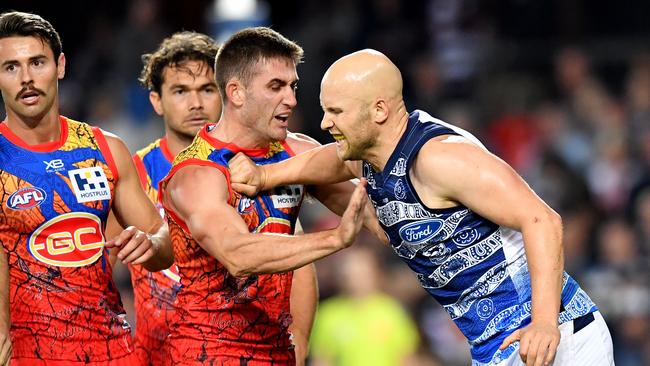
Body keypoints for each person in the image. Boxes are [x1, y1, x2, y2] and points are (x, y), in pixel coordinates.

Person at [228, 49, 615, 366]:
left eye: (337, 112)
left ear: (378, 110)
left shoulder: (438, 158)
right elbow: (329, 161)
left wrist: (546, 324)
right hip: (499, 347)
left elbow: (542, 219)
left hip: (555, 340)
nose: (326, 122)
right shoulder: (373, 153)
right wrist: (266, 177)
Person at [159, 27, 378, 365]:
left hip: (277, 349)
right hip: (209, 353)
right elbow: (238, 253)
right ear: (236, 92)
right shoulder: (197, 173)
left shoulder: (297, 151)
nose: (290, 99)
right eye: (275, 87)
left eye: (292, 86)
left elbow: (372, 214)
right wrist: (334, 239)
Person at [0, 11, 173, 365]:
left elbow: (163, 245)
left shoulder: (105, 148)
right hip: (26, 356)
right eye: (11, 67)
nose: (27, 79)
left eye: (37, 62)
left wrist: (151, 244)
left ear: (60, 66)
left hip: (113, 351)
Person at [106, 31, 221, 365]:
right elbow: (100, 268)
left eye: (207, 89)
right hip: (156, 356)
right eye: (180, 91)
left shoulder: (251, 170)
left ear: (225, 94)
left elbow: (295, 269)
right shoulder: (133, 174)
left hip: (237, 349)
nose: (196, 103)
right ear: (156, 100)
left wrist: (298, 342)